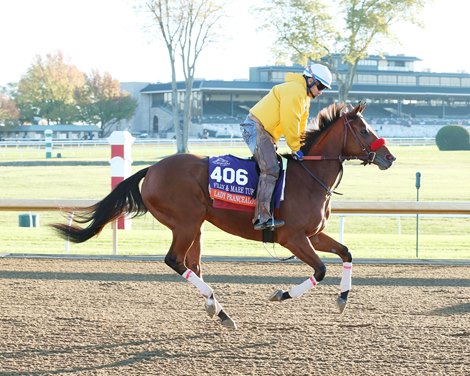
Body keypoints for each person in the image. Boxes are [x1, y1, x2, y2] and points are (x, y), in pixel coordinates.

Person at [240, 63, 333, 230]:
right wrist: (295, 147)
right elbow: (290, 122)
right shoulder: (295, 91)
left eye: (324, 88)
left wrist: (302, 146)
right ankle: (262, 218)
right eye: (320, 86)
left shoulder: (304, 97)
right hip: (256, 128)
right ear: (310, 80)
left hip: (264, 133)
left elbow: (301, 125)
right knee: (271, 169)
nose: (320, 91)